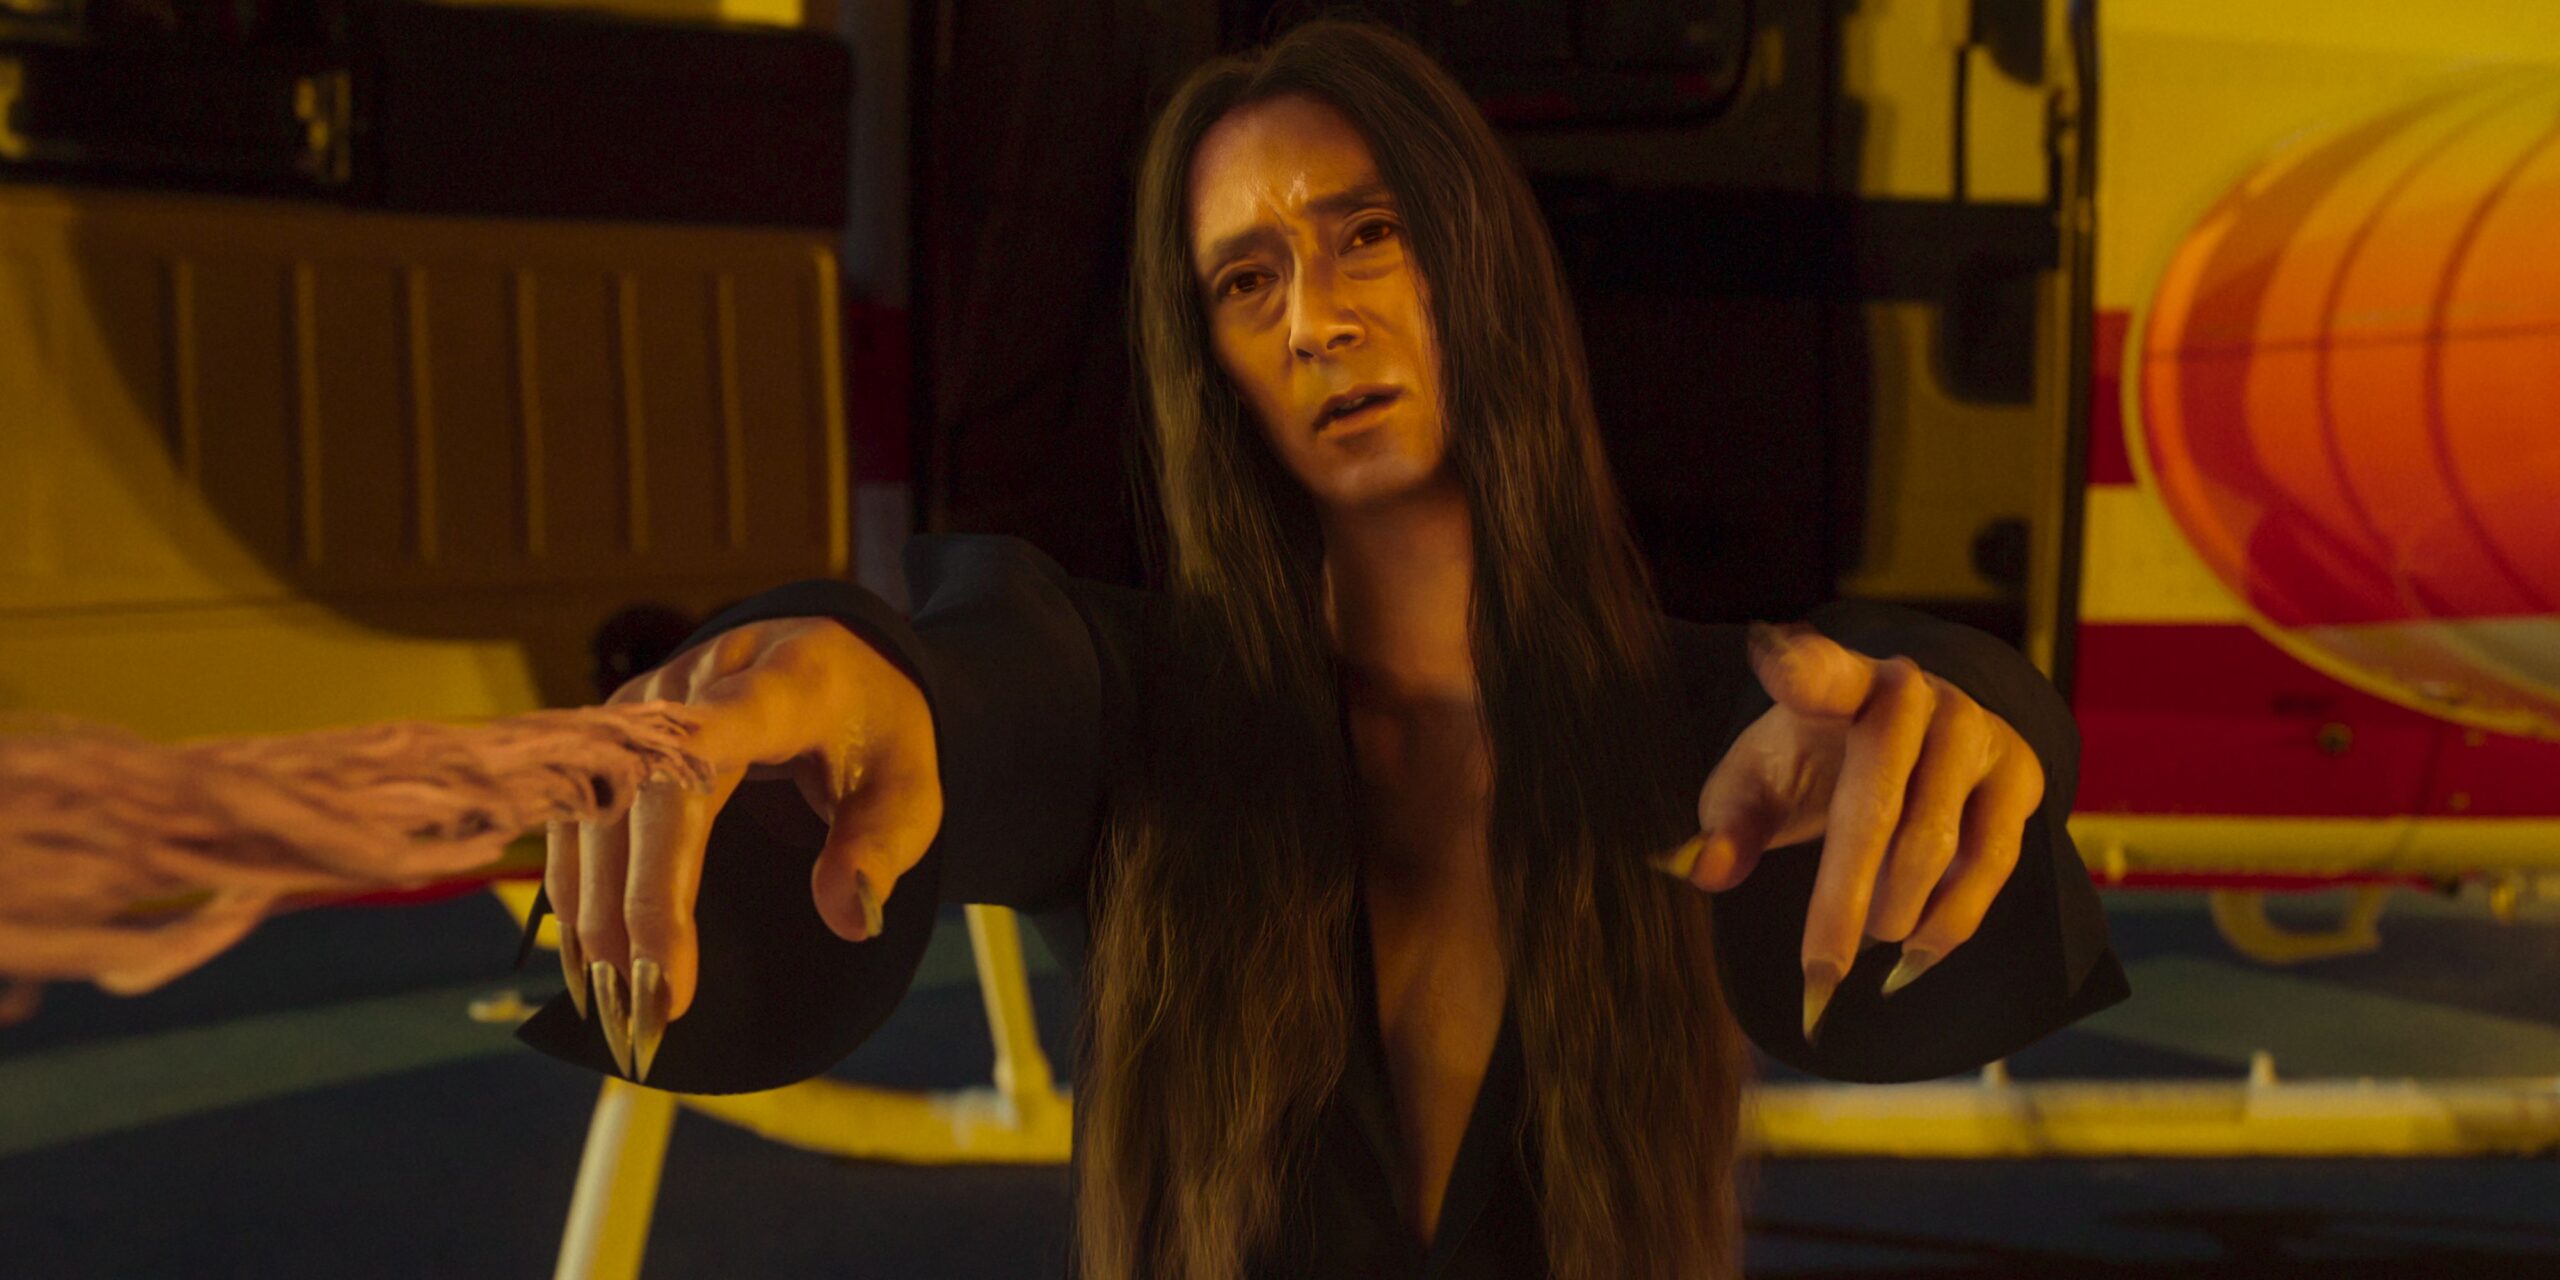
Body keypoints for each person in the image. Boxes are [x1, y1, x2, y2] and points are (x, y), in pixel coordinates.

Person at [517, 18, 2128, 1280]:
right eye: (1247, 278)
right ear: (1207, 361)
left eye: (1369, 236)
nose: (1315, 318)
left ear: (1481, 262)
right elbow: (989, 688)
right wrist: (855, 678)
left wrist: (1968, 725)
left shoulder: (1699, 733)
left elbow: (1907, 730)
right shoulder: (1143, 715)